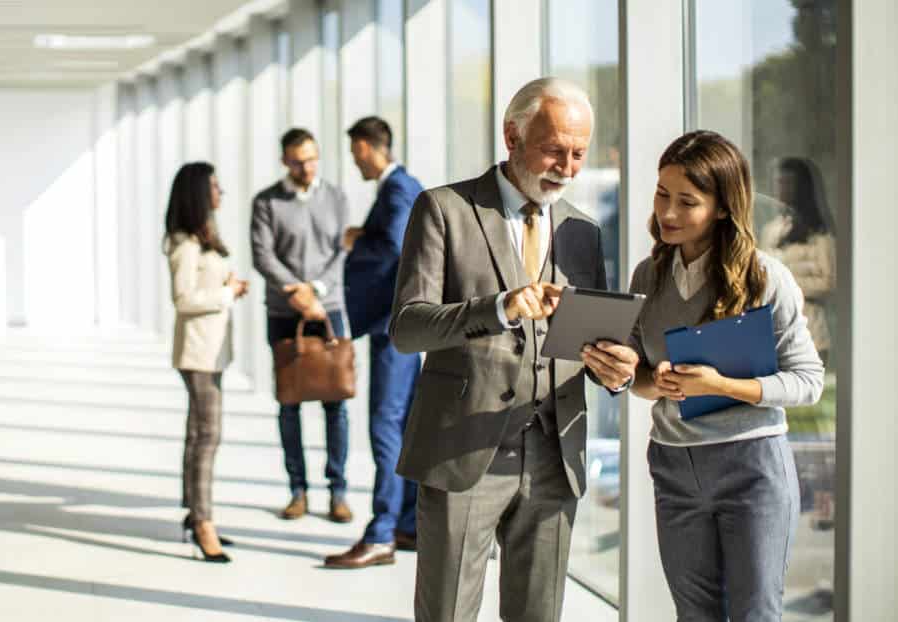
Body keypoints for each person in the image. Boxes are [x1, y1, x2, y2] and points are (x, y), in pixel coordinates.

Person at [389, 77, 639, 622]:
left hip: (555, 457)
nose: (568, 168)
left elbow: (587, 342)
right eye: (554, 150)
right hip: (464, 451)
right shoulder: (443, 208)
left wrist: (615, 370)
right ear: (512, 135)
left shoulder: (583, 230)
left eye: (579, 154)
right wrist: (499, 307)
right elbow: (408, 328)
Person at [626, 130, 824, 620]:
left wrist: (720, 386)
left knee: (755, 614)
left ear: (720, 207)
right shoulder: (645, 277)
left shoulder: (766, 277)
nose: (667, 213)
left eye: (686, 202)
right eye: (662, 194)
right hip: (673, 466)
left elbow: (807, 381)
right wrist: (658, 381)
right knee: (694, 616)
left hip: (751, 467)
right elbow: (638, 377)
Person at [323, 117, 424, 569]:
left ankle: (382, 532)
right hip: (398, 326)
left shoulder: (398, 187)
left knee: (386, 426)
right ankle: (406, 523)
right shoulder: (401, 185)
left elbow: (399, 244)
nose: (354, 162)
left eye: (354, 152)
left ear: (367, 146)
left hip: (392, 327)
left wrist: (357, 241)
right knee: (402, 428)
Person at [250, 128, 353, 523]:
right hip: (283, 312)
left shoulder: (337, 198)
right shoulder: (266, 202)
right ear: (284, 162)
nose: (306, 167)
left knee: (336, 402)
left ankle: (338, 492)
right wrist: (296, 292)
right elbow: (263, 255)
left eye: (311, 159)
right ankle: (298, 491)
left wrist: (318, 290)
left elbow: (342, 251)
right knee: (289, 403)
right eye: (298, 161)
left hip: (330, 311)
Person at [163, 162, 249, 563]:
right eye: (215, 185)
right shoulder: (184, 244)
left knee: (198, 436)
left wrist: (229, 290)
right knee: (207, 437)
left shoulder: (202, 238)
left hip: (209, 351)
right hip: (197, 353)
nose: (221, 192)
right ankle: (203, 523)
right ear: (198, 192)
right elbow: (182, 301)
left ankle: (194, 515)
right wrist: (227, 293)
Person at [760, 157, 835, 364]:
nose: (780, 189)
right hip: (772, 333)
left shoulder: (819, 235)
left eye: (787, 183)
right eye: (778, 182)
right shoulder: (771, 230)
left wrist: (786, 284)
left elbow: (828, 283)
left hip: (810, 332)